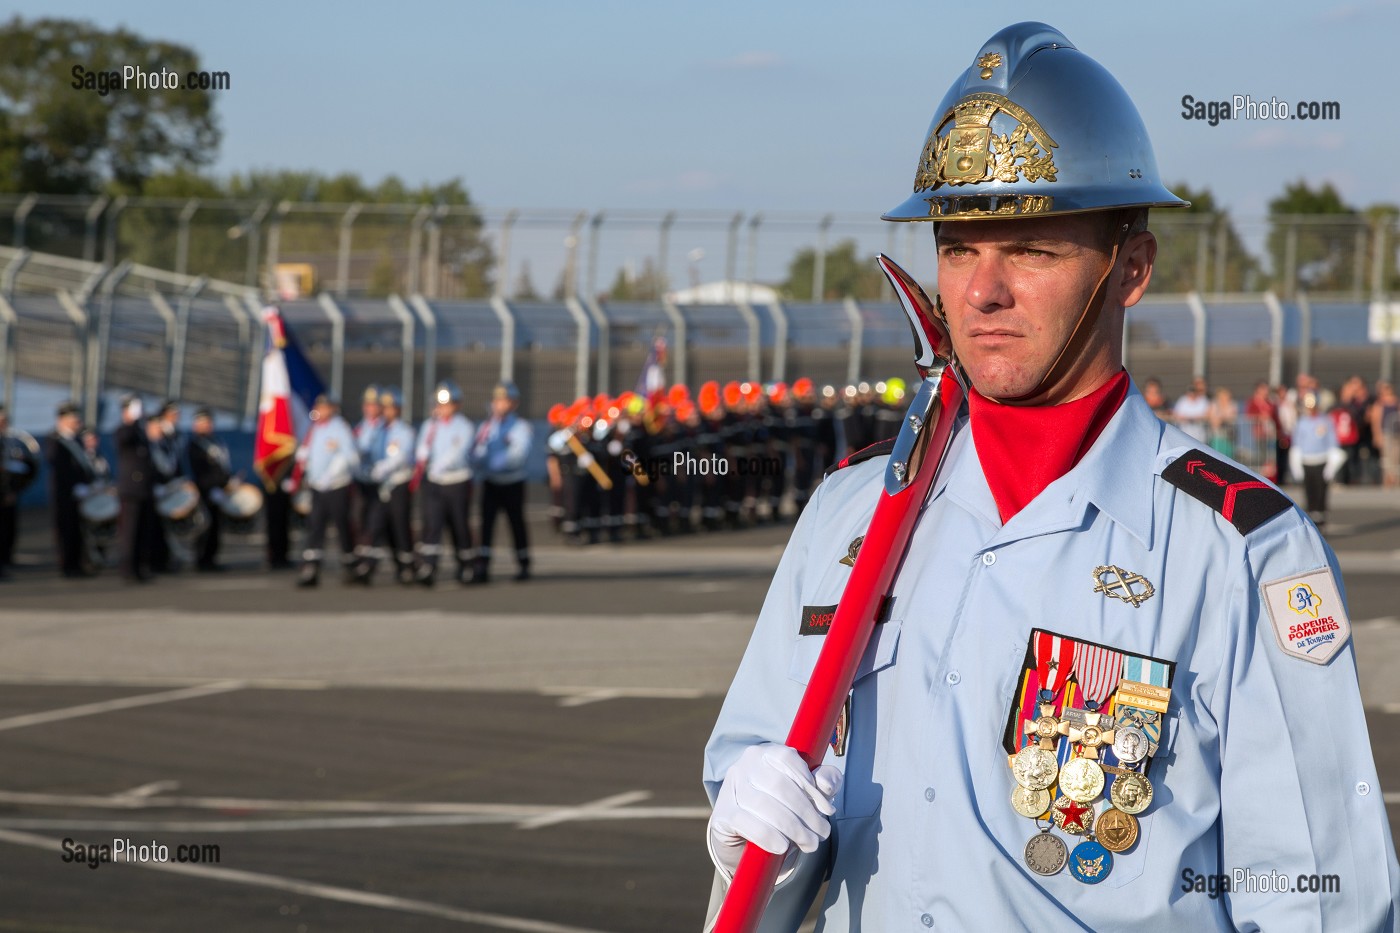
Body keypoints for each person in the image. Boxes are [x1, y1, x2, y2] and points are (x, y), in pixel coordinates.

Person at [702, 23, 1399, 932]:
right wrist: (753, 845)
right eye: (958, 248)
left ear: (1130, 268)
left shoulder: (1238, 546)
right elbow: (765, 864)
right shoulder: (849, 515)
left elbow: (1320, 900)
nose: (982, 290)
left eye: (1029, 249)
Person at [413, 380, 477, 586]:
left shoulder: (464, 426)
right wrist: (423, 455)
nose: (442, 408)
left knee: (459, 524)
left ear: (456, 404)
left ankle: (466, 565)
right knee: (432, 524)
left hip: (456, 481)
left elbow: (460, 452)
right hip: (434, 482)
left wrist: (442, 463)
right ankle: (429, 565)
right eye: (439, 404)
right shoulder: (430, 425)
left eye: (447, 404)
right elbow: (423, 447)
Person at [292, 394, 360, 587]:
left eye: (324, 407)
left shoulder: (340, 428)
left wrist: (331, 474)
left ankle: (350, 565)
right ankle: (311, 567)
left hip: (337, 486)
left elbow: (349, 456)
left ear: (332, 409)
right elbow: (307, 456)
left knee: (342, 526)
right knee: (315, 527)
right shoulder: (314, 430)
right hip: (318, 488)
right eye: (318, 407)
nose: (320, 411)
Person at [354, 387, 416, 585]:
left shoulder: (404, 431)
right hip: (377, 485)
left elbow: (402, 456)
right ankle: (368, 565)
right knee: (374, 524)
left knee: (399, 526)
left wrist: (384, 467)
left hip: (397, 483)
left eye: (391, 408)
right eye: (384, 407)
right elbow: (364, 449)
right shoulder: (375, 429)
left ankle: (406, 566)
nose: (387, 411)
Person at [472, 381, 533, 582]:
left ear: (514, 403)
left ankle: (523, 563)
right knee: (486, 524)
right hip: (491, 481)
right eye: (497, 401)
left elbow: (519, 453)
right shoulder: (487, 426)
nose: (500, 405)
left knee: (516, 523)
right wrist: (479, 459)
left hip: (513, 482)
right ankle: (483, 565)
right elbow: (478, 448)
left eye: (505, 401)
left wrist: (500, 460)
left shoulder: (520, 426)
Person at [113, 395, 159, 583]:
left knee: (143, 531)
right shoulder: (124, 430)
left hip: (145, 488)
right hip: (131, 490)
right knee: (130, 533)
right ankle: (128, 569)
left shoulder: (141, 432)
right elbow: (124, 438)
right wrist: (131, 421)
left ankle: (140, 567)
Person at [45, 402, 91, 578]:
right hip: (63, 494)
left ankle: (77, 563)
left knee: (78, 530)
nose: (76, 422)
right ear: (62, 420)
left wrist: (85, 483)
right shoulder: (55, 440)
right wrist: (74, 485)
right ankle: (67, 565)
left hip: (79, 492)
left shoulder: (77, 439)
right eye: (72, 419)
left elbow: (82, 466)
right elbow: (59, 467)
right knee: (65, 530)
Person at [186, 408, 231, 572]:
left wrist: (226, 483)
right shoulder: (195, 445)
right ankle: (201, 558)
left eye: (209, 422)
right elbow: (199, 470)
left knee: (216, 526)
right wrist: (210, 488)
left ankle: (211, 557)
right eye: (203, 423)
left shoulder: (216, 441)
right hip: (205, 491)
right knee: (203, 525)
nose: (207, 426)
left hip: (218, 490)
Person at [1290, 391, 1343, 529]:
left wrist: (1332, 464)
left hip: (1321, 460)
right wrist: (1296, 463)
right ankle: (1311, 518)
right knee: (1309, 491)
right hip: (1307, 461)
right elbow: (1297, 443)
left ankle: (1321, 519)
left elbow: (1332, 442)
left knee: (1321, 492)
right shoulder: (1302, 422)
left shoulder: (1325, 421)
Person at [0, 404, 40, 579]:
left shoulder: (10, 442)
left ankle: (6, 559)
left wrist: (13, 489)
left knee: (8, 529)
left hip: (8, 491)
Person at [1170, 375, 1210, 442]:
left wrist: (1192, 418)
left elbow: (1207, 415)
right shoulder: (1183, 400)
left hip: (1200, 437)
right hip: (1185, 436)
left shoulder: (1203, 400)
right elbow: (1176, 415)